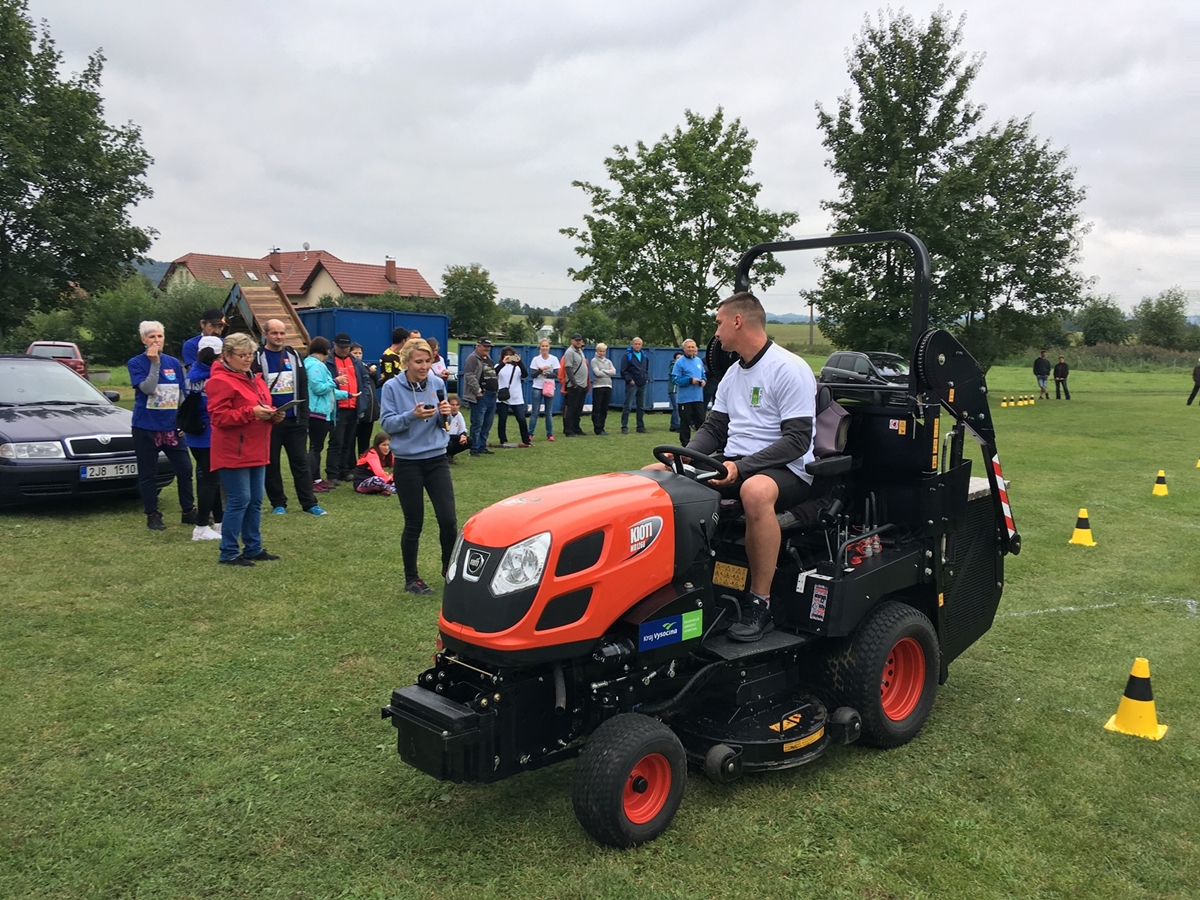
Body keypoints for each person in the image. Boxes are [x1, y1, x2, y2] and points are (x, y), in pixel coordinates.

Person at [658, 292, 816, 642]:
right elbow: (715, 428)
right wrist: (684, 456)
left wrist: (742, 468)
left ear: (738, 321)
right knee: (658, 478)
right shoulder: (732, 374)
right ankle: (677, 589)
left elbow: (797, 441)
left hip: (787, 469)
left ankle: (761, 603)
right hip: (737, 463)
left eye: (719, 323)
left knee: (754, 491)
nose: (716, 332)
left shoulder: (789, 369)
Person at [379, 338, 462, 595]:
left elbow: (442, 425)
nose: (424, 366)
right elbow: (387, 424)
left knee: (448, 519)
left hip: (436, 459)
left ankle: (449, 568)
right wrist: (412, 416)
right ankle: (412, 578)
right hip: (408, 463)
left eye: (428, 361)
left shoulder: (437, 383)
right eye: (418, 362)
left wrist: (444, 414)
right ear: (406, 362)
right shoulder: (391, 387)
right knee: (414, 522)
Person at [206, 332, 284, 566]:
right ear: (227, 355)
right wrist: (251, 413)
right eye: (242, 355)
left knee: (256, 500)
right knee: (240, 499)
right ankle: (229, 551)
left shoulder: (255, 378)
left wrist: (273, 415)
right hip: (233, 450)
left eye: (250, 354)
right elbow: (218, 417)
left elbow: (261, 406)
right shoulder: (220, 381)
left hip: (257, 447)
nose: (248, 359)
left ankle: (253, 547)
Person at [128, 320, 196, 532]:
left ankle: (188, 511)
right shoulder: (136, 363)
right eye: (152, 337)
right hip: (146, 427)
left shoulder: (174, 363)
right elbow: (148, 388)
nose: (156, 340)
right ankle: (152, 514)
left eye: (159, 336)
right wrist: (155, 363)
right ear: (143, 340)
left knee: (185, 469)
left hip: (171, 427)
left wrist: (183, 420)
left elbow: (181, 393)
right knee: (148, 473)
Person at [254, 319, 325, 517]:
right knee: (272, 463)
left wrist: (304, 416)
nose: (279, 337)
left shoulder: (294, 355)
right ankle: (278, 503)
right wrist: (266, 411)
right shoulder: (257, 357)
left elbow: (302, 385)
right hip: (269, 421)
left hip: (295, 420)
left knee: (301, 462)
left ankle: (309, 503)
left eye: (282, 333)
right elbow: (254, 389)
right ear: (265, 335)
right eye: (274, 333)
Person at [184, 336, 224, 540]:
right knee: (210, 479)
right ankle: (200, 526)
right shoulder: (215, 375)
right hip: (208, 432)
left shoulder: (192, 373)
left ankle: (219, 522)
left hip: (194, 433)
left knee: (211, 478)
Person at [304, 336, 348, 493]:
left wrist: (347, 395)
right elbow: (319, 388)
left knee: (317, 447)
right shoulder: (314, 365)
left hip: (320, 411)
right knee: (315, 447)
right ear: (325, 350)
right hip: (317, 411)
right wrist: (336, 381)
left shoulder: (315, 364)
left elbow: (327, 391)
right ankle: (311, 480)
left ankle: (316, 479)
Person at [325, 333, 367, 485]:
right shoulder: (329, 362)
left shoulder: (355, 362)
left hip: (353, 407)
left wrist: (364, 399)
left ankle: (344, 470)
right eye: (341, 347)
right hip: (337, 407)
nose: (344, 350)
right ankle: (332, 473)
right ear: (334, 345)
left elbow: (364, 380)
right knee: (336, 441)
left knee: (348, 441)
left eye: (346, 347)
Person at [462, 338, 499, 456]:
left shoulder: (488, 359)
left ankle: (482, 446)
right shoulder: (472, 358)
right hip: (482, 395)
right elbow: (469, 376)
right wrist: (477, 391)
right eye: (485, 346)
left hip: (491, 395)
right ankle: (474, 448)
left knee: (487, 423)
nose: (487, 349)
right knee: (478, 423)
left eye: (489, 346)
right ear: (478, 346)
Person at [672, 339, 707, 446]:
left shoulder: (698, 361)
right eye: (689, 347)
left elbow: (703, 375)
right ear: (684, 349)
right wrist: (689, 381)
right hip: (685, 399)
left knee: (701, 421)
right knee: (685, 421)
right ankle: (685, 444)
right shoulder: (679, 362)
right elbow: (675, 379)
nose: (691, 349)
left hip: (698, 397)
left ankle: (701, 443)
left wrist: (704, 381)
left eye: (693, 347)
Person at [496, 346, 531, 447]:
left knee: (521, 419)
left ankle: (526, 440)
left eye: (510, 355)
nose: (508, 357)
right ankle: (503, 440)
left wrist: (519, 362)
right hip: (503, 397)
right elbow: (494, 373)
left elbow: (525, 375)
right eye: (506, 355)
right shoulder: (498, 366)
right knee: (502, 419)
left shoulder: (517, 368)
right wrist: (503, 363)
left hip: (516, 397)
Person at [351, 342, 381, 457]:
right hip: (358, 410)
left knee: (365, 442)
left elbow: (375, 385)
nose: (358, 355)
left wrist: (374, 374)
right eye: (355, 353)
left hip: (370, 412)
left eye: (360, 353)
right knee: (351, 441)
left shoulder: (366, 367)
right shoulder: (351, 368)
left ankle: (363, 462)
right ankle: (351, 464)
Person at [528, 339, 559, 441]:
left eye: (546, 346)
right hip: (537, 386)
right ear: (540, 347)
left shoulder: (554, 359)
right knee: (535, 412)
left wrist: (546, 374)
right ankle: (530, 434)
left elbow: (556, 374)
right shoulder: (535, 359)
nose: (545, 348)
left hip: (549, 387)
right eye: (543, 346)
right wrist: (540, 370)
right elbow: (533, 375)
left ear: (549, 347)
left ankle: (550, 434)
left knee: (548, 413)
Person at [561, 333, 590, 437]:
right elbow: (568, 368)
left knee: (578, 409)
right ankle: (569, 430)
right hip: (575, 385)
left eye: (580, 340)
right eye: (576, 340)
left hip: (582, 384)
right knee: (571, 408)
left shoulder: (580, 351)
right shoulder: (569, 352)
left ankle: (576, 428)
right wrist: (574, 384)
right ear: (572, 341)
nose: (578, 342)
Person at [621, 336, 650, 434]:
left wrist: (645, 378)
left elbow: (646, 369)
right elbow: (623, 370)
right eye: (636, 344)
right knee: (628, 406)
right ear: (632, 345)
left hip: (642, 383)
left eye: (639, 344)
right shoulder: (627, 356)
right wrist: (629, 380)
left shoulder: (644, 356)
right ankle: (624, 426)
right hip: (632, 384)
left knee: (641, 406)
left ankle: (640, 426)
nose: (637, 346)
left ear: (642, 345)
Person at [590, 343, 617, 435]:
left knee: (604, 408)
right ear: (597, 351)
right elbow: (597, 373)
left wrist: (603, 371)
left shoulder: (608, 361)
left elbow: (614, 372)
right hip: (598, 386)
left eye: (603, 351)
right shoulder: (594, 361)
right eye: (600, 351)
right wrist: (608, 372)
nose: (602, 353)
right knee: (597, 407)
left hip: (608, 386)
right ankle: (597, 428)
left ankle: (602, 427)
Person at [445, 395, 468, 463]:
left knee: (469, 441)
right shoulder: (444, 416)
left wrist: (463, 436)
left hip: (456, 438)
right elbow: (445, 433)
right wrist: (459, 437)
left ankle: (450, 455)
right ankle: (445, 455)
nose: (455, 407)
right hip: (445, 438)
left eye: (457, 405)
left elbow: (463, 429)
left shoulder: (459, 415)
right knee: (449, 442)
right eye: (452, 405)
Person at [667, 351, 683, 432]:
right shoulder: (673, 366)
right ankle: (677, 425)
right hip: (673, 389)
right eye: (678, 358)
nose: (679, 360)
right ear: (675, 359)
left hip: (678, 389)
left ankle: (673, 425)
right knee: (676, 407)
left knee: (676, 408)